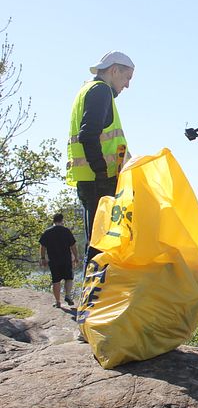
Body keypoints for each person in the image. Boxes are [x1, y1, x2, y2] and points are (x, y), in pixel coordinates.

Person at [66, 51, 134, 264]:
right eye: (127, 78)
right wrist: (102, 172)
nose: (127, 85)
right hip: (99, 182)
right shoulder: (101, 91)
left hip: (90, 180)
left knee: (96, 243)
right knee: (101, 245)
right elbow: (89, 134)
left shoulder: (86, 90)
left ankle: (92, 294)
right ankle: (94, 296)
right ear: (114, 70)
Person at [39, 213, 79, 308]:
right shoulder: (66, 231)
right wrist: (76, 257)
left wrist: (43, 258)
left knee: (56, 281)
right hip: (66, 260)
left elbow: (42, 246)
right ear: (62, 220)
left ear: (53, 221)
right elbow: (73, 246)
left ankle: (58, 302)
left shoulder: (47, 232)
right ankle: (68, 295)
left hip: (54, 260)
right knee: (69, 278)